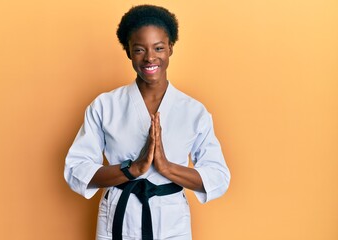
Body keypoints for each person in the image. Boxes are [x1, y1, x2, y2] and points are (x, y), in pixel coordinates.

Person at [64, 4, 230, 240]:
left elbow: (218, 177)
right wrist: (133, 169)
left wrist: (166, 168)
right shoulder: (105, 105)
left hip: (172, 220)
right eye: (140, 49)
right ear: (128, 52)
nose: (150, 57)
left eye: (159, 47)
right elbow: (76, 170)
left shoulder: (194, 111)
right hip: (119, 216)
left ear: (170, 48)